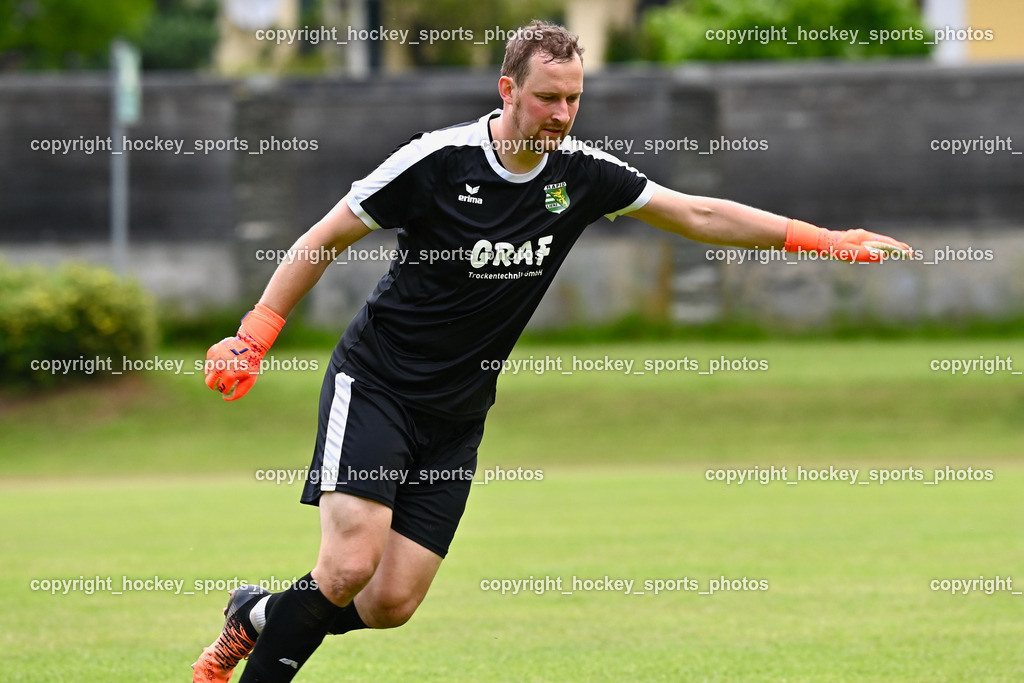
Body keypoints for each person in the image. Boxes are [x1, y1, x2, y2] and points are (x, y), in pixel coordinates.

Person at [192, 19, 910, 682]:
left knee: (390, 602)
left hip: (457, 413)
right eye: (547, 99)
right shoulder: (438, 162)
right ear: (508, 90)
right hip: (378, 384)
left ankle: (255, 613)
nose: (562, 116)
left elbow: (696, 211)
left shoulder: (582, 174)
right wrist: (256, 333)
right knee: (347, 565)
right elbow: (323, 237)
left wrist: (818, 237)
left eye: (574, 100)